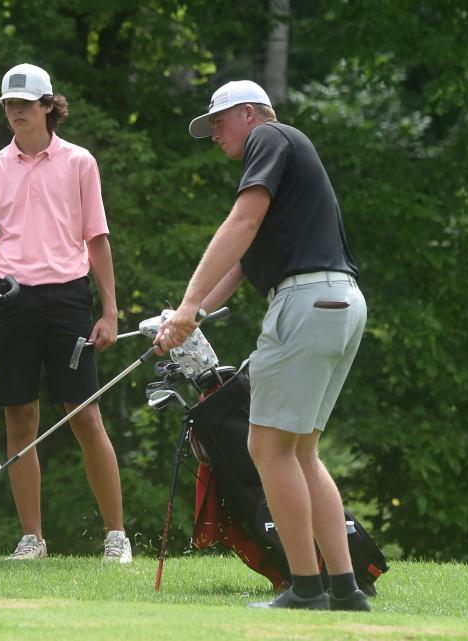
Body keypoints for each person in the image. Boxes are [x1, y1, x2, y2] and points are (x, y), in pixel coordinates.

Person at [154, 80, 369, 610]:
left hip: (307, 303)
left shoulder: (270, 138)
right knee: (299, 448)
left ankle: (305, 588)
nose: (213, 135)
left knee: (266, 447)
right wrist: (192, 315)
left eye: (218, 123)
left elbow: (241, 221)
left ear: (250, 114)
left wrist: (185, 305)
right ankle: (343, 588)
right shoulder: (287, 171)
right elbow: (243, 258)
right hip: (340, 303)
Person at [0, 63, 132, 563]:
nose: (15, 112)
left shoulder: (80, 162)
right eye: (9, 105)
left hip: (70, 300)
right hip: (11, 300)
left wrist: (111, 311)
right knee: (19, 419)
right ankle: (32, 538)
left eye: (24, 104)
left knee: (84, 415)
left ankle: (116, 536)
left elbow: (96, 241)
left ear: (48, 106)